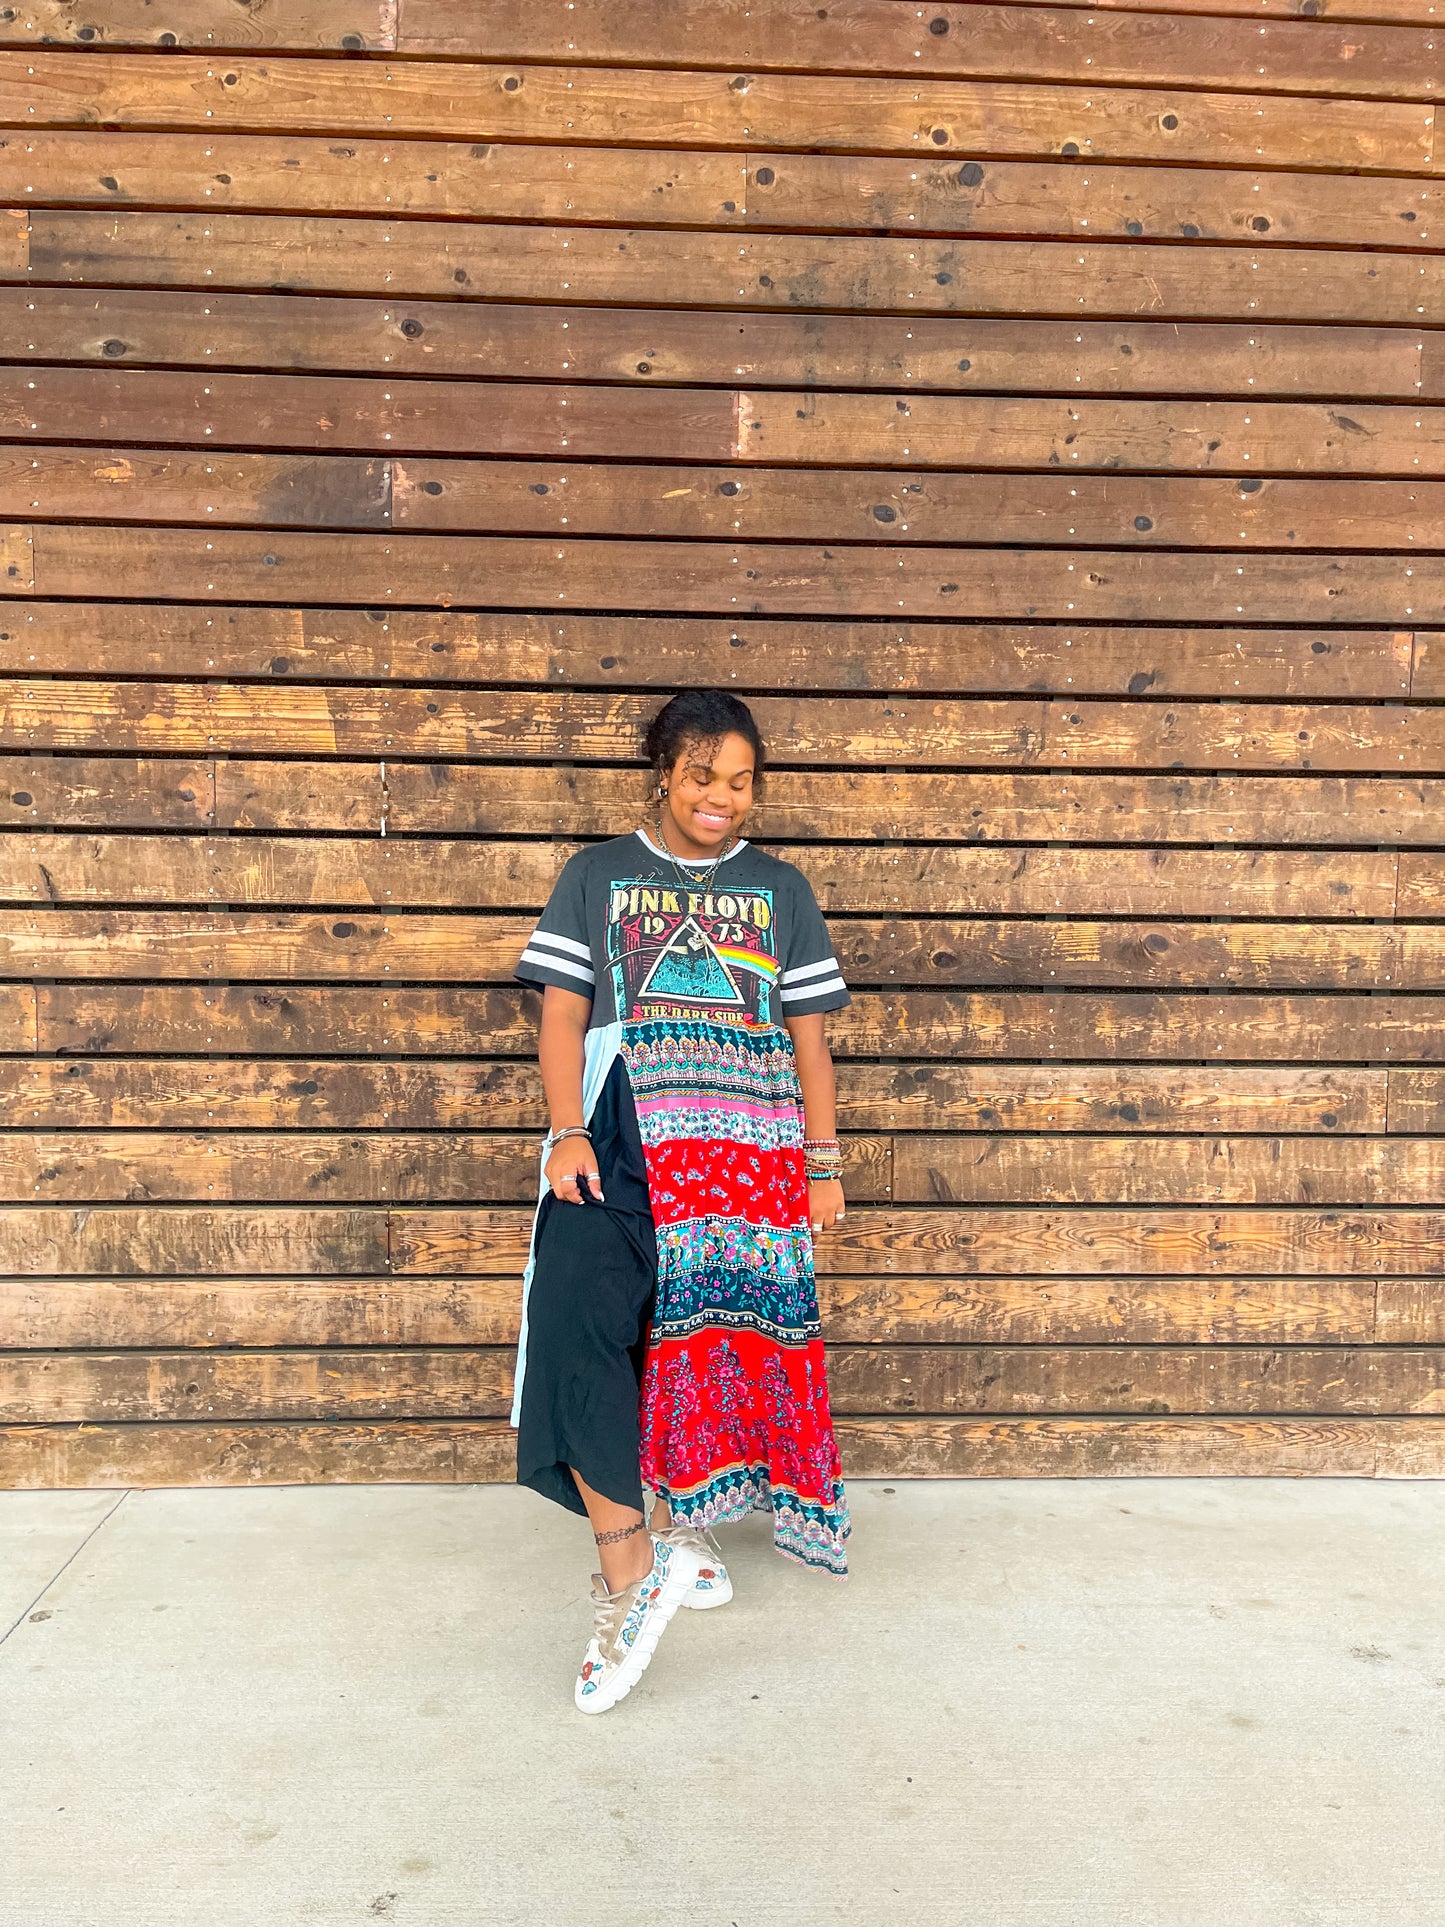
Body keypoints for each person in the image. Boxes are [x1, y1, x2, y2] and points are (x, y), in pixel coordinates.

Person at [511, 688, 852, 1713]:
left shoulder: (779, 889)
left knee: (691, 1344)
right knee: (575, 1320)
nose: (722, 797)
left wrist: (821, 1161)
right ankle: (632, 1571)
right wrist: (566, 1131)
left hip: (742, 1150)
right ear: (663, 772)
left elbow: (807, 1041)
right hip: (617, 1133)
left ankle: (676, 1533)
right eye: (703, 774)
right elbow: (562, 1015)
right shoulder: (596, 873)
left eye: (741, 782)